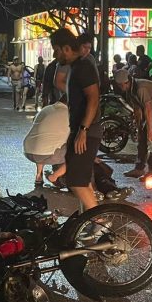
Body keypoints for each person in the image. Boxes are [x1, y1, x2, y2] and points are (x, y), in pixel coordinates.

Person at [50, 28, 102, 211]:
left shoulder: (83, 66)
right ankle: (88, 219)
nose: (54, 55)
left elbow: (94, 98)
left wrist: (83, 130)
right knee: (80, 179)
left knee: (75, 181)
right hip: (80, 130)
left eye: (55, 50)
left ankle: (98, 219)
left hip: (88, 131)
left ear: (66, 48)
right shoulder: (74, 68)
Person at [114, 69, 152, 177]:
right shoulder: (130, 89)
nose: (120, 87)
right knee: (142, 140)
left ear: (126, 82)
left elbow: (148, 109)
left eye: (121, 85)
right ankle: (139, 169)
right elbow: (137, 109)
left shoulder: (140, 88)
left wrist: (150, 130)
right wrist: (139, 127)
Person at [23, 93, 69, 186]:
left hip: (28, 150)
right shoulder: (69, 114)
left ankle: (38, 176)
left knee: (43, 140)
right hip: (44, 154)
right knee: (77, 155)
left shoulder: (46, 109)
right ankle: (54, 176)